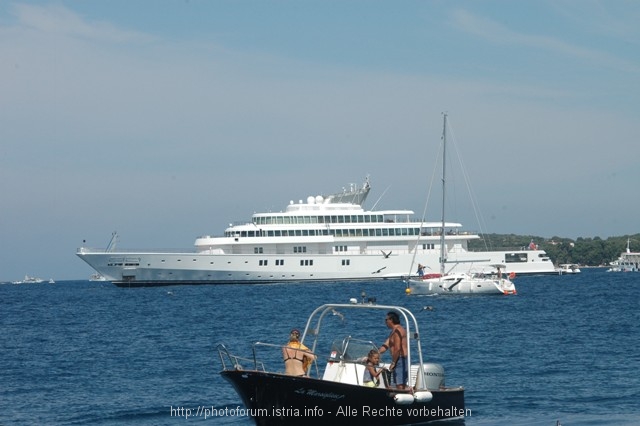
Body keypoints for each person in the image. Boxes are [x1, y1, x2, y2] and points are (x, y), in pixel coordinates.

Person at [378, 311, 408, 389]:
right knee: (398, 382)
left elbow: (397, 349)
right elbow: (385, 346)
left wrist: (394, 362)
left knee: (400, 384)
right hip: (397, 359)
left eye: (386, 320)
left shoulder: (398, 331)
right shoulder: (393, 331)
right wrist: (374, 353)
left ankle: (403, 397)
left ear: (391, 320)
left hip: (400, 359)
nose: (385, 322)